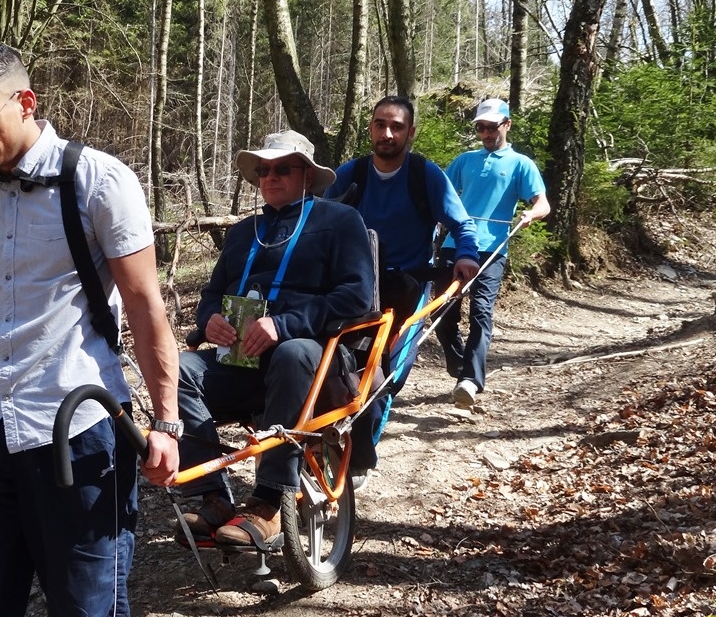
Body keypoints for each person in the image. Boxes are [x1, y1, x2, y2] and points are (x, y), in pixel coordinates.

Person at [0, 41, 180, 617]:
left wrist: (166, 422)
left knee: (86, 614)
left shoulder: (98, 180)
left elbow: (146, 307)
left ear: (26, 102)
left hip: (78, 429)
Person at [176, 130, 374, 549]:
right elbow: (213, 294)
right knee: (178, 368)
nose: (270, 177)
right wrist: (210, 319)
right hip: (241, 360)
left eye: (283, 168)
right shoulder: (244, 232)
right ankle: (212, 495)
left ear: (307, 174)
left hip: (313, 360)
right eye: (263, 170)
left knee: (291, 351)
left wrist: (283, 324)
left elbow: (356, 295)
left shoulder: (340, 221)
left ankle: (268, 500)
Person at [325, 95, 480, 485]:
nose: (387, 133)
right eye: (380, 124)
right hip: (354, 284)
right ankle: (333, 438)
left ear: (410, 132)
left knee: (390, 371)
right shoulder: (350, 174)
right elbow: (317, 218)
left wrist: (465, 256)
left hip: (408, 287)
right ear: (371, 128)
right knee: (339, 359)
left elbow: (463, 225)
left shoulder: (424, 175)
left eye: (396, 126)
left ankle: (360, 453)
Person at [436, 98, 550, 409]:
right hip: (455, 244)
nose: (486, 133)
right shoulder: (465, 160)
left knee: (480, 312)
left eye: (491, 126)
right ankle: (459, 364)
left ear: (507, 125)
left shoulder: (521, 164)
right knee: (442, 313)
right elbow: (441, 193)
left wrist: (531, 214)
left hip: (494, 248)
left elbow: (543, 203)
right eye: (481, 128)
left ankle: (470, 381)